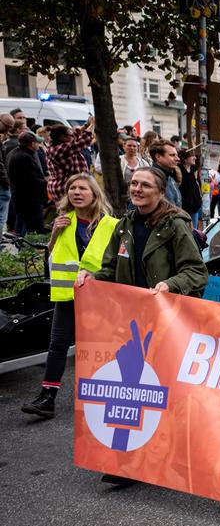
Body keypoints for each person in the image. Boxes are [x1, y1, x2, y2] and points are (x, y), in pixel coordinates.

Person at [20, 174, 118, 419]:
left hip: (101, 297)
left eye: (82, 188)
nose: (76, 192)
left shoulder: (112, 224)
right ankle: (47, 398)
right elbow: (53, 256)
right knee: (57, 345)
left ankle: (109, 395)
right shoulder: (64, 221)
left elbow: (119, 259)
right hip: (67, 295)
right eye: (72, 188)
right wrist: (54, 234)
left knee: (104, 347)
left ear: (94, 194)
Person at [84, 166, 208, 296]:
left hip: (166, 310)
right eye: (134, 183)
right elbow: (110, 270)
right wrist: (94, 278)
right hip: (131, 310)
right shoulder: (124, 225)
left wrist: (170, 285)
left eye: (146, 185)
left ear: (161, 193)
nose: (137, 189)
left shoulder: (175, 225)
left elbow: (196, 271)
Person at [44, 118, 95, 202]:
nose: (72, 136)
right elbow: (84, 140)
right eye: (69, 135)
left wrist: (87, 124)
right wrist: (93, 124)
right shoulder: (59, 149)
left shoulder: (59, 144)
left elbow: (76, 134)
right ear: (62, 137)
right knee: (70, 213)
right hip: (65, 188)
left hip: (68, 186)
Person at [5, 131, 46, 235]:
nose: (39, 145)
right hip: (29, 200)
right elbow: (33, 181)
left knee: (21, 224)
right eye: (38, 143)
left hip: (19, 197)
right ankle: (31, 249)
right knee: (33, 229)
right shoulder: (25, 157)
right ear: (32, 144)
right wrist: (47, 183)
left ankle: (21, 247)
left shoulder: (14, 153)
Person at [147, 140, 183, 208]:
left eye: (176, 155)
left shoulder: (170, 178)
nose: (177, 159)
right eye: (172, 155)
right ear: (158, 157)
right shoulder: (148, 180)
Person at [177, 147, 203, 228]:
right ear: (185, 159)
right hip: (184, 208)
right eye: (192, 156)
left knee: (193, 231)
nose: (194, 157)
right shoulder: (178, 171)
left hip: (194, 208)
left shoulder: (192, 170)